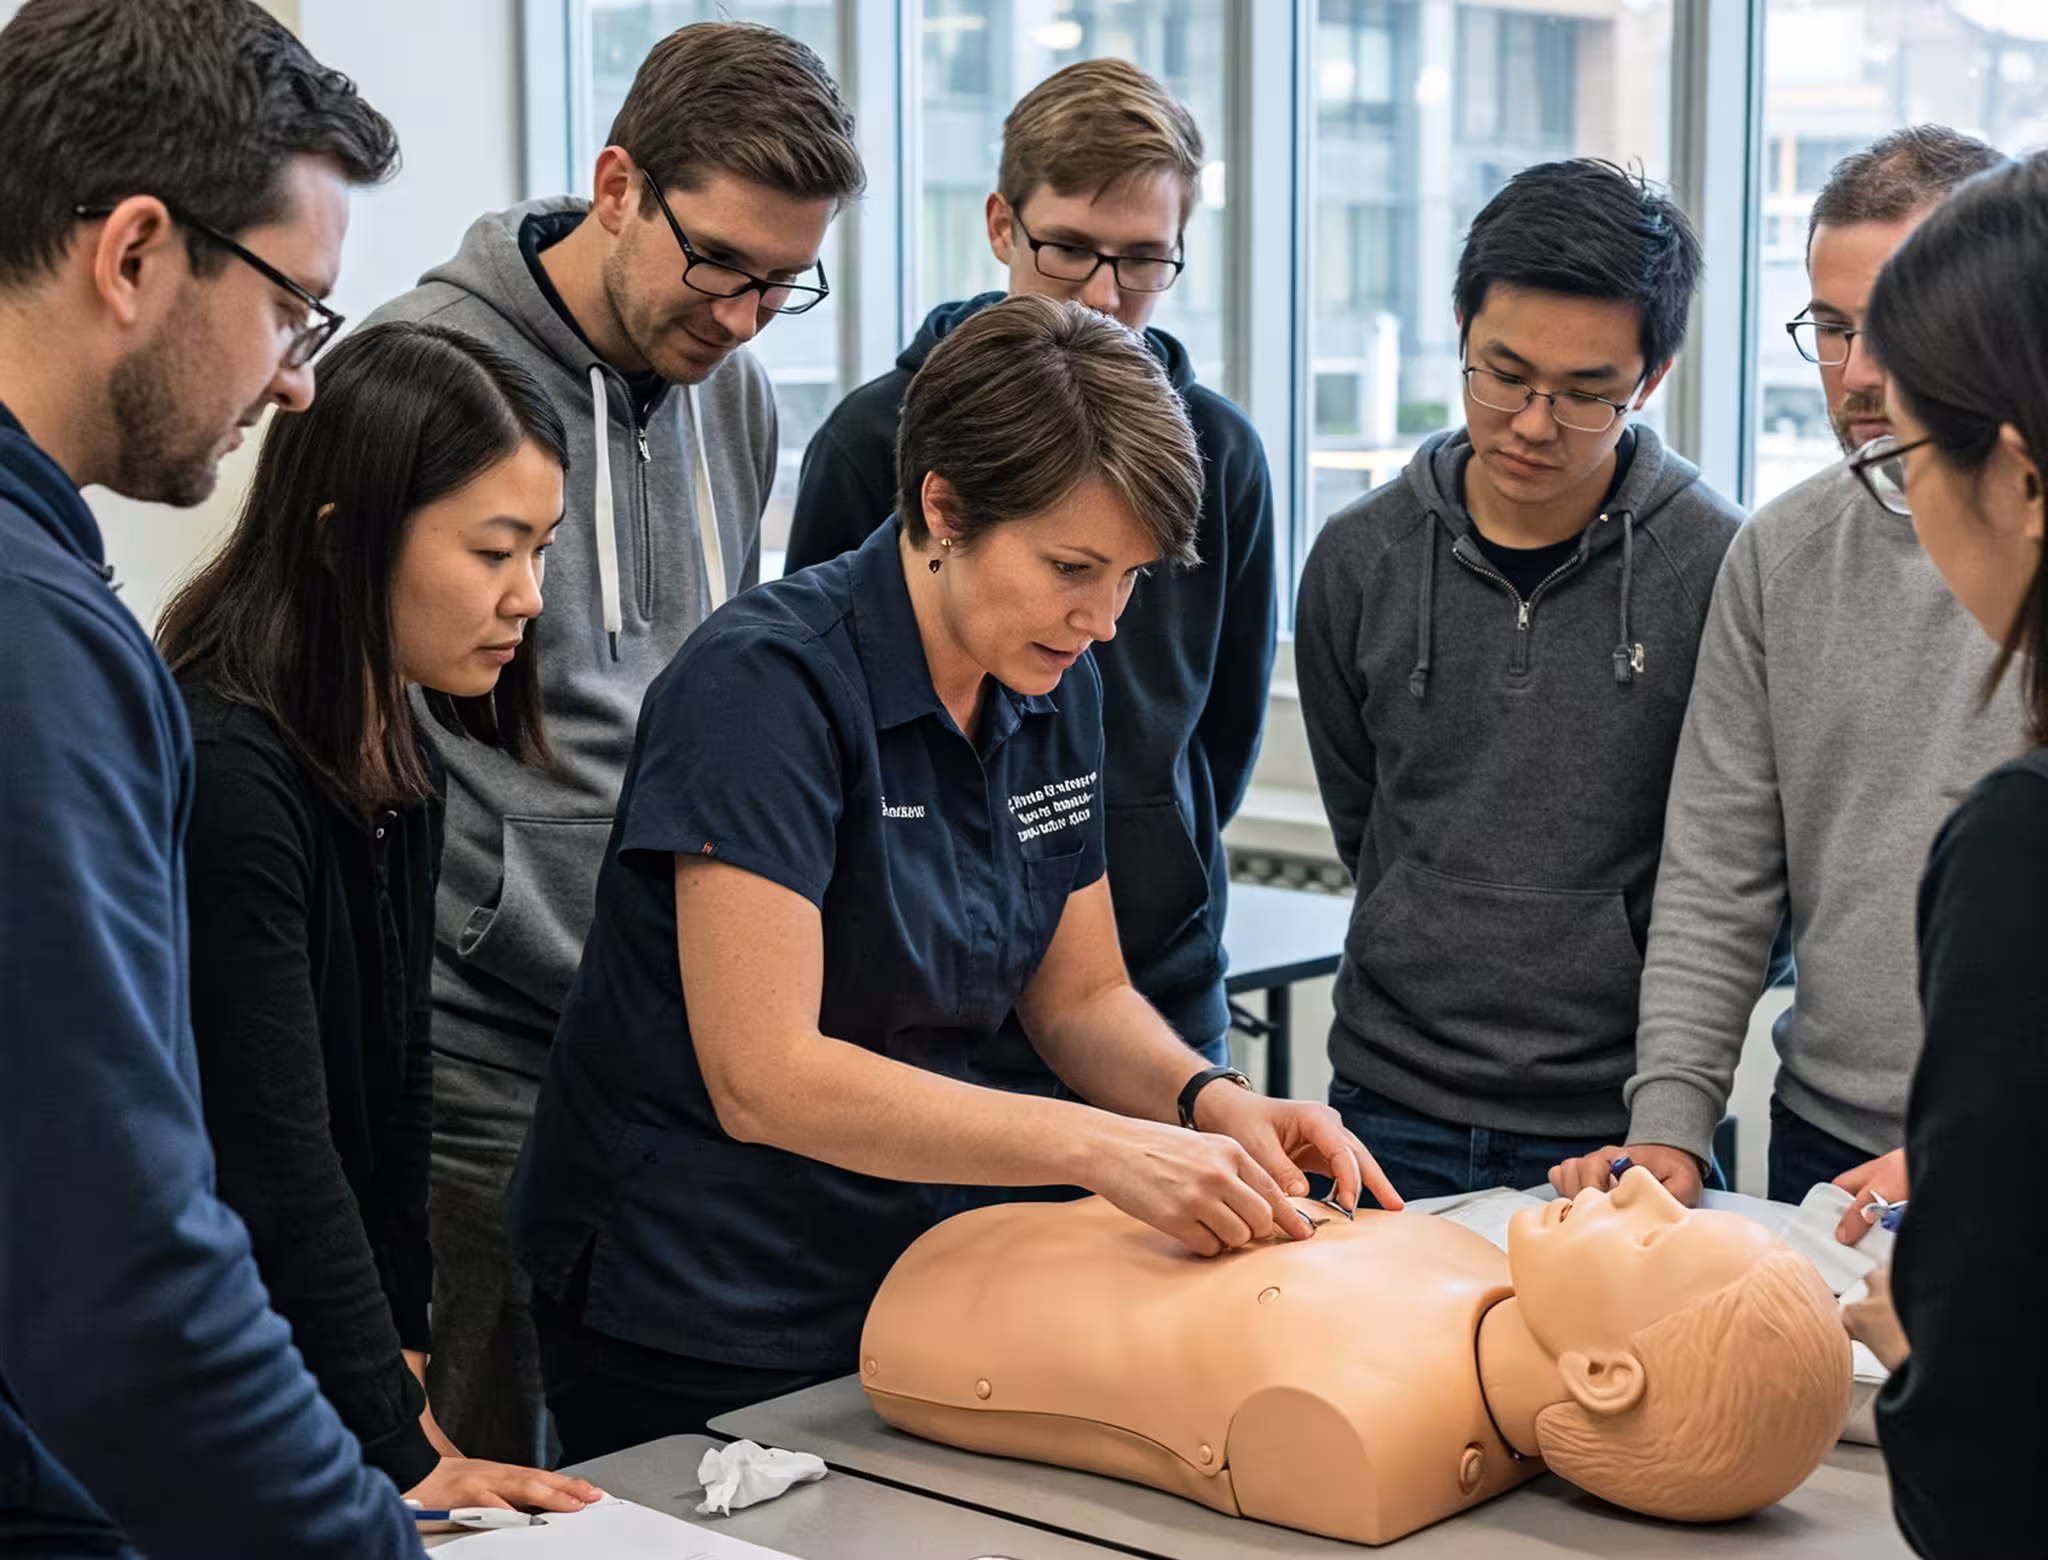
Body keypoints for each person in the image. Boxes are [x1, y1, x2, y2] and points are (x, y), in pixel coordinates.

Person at [506, 296, 1396, 1464]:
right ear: (942, 505)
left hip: (905, 1262)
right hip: (697, 1291)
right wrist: (1093, 1147)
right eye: (1071, 567)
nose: (1103, 620)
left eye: (1129, 578)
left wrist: (1210, 1104)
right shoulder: (763, 689)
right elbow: (765, 1077)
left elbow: (1078, 1000)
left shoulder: (1048, 674)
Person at [360, 21, 866, 1465]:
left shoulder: (738, 390)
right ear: (618, 183)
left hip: (667, 1028)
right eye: (721, 264)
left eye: (787, 282)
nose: (748, 318)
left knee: (644, 1460)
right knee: (475, 1458)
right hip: (477, 1038)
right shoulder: (427, 367)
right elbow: (349, 718)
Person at [0, 2, 420, 1555]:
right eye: (294, 310)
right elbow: (114, 1272)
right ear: (133, 253)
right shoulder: (34, 646)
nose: (298, 380)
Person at [154, 323, 602, 1520]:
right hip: (194, 1348)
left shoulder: (407, 757)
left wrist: (398, 1368)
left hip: (304, 1340)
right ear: (344, 539)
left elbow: (398, 1106)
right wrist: (389, 1441)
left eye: (542, 550)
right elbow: (273, 1143)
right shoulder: (232, 775)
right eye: (494, 551)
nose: (529, 600)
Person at [786, 60, 1275, 1127]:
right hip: (919, 993)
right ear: (1003, 223)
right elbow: (817, 718)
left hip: (1144, 983)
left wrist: (1144, 835)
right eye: (1071, 251)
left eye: (1145, 260)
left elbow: (1222, 726)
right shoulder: (871, 443)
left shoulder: (1220, 453)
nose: (1105, 294)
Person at [1550, 128, 2017, 1233]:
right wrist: (1667, 1128)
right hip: (1824, 1135)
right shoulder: (1781, 551)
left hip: (2009, 1143)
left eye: (1889, 328)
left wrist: (1989, 1138)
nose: (1854, 374)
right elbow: (1717, 867)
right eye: (1831, 329)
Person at [1295, 160, 1743, 1200]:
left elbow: (1745, 869)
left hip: (1623, 1123)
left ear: (1651, 378)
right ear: (1458, 328)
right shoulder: (1359, 556)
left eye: (1587, 393)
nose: (1534, 424)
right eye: (1502, 374)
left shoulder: (1719, 569)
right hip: (1384, 1100)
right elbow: (1361, 812)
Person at [863, 1171, 1849, 1545]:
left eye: (1651, 1242)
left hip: (932, 1310)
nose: (1637, 1194)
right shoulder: (1471, 1260)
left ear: (1600, 1375)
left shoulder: (1354, 1426)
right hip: (963, 1262)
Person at [1830, 148, 2048, 1559]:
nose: (1899, 497)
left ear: (2017, 474)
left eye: (1906, 457)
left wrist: (1929, 1333)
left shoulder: (2024, 853)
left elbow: (1985, 1473)